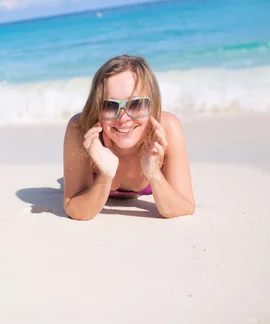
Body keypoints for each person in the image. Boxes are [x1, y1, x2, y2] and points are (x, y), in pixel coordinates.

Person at [62, 55, 195, 220]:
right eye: (109, 105)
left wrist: (154, 175)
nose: (123, 118)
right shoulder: (80, 128)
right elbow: (76, 211)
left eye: (136, 104)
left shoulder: (168, 128)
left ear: (153, 104)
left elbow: (184, 207)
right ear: (96, 107)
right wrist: (105, 175)